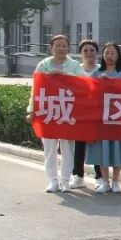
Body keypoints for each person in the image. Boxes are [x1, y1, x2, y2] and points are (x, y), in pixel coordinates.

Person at [32, 35, 86, 192]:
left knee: (67, 148)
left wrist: (65, 75)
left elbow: (84, 83)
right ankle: (53, 181)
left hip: (67, 112)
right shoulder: (43, 65)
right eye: (58, 45)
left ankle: (66, 181)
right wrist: (31, 110)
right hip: (48, 112)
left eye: (64, 45)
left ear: (68, 48)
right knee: (49, 148)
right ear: (51, 47)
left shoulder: (74, 65)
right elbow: (35, 89)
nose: (61, 48)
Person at [85, 43, 121, 193]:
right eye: (107, 53)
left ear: (118, 55)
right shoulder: (96, 73)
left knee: (118, 148)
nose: (110, 56)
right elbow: (89, 93)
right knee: (103, 149)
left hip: (119, 116)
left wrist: (112, 82)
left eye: (113, 53)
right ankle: (105, 181)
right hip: (102, 117)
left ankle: (116, 181)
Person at [69, 39, 101, 189]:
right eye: (85, 50)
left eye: (92, 50)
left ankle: (100, 176)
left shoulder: (102, 70)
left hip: (98, 113)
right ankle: (78, 176)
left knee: (98, 145)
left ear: (97, 53)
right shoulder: (75, 70)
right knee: (79, 145)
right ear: (80, 53)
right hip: (80, 113)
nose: (89, 53)